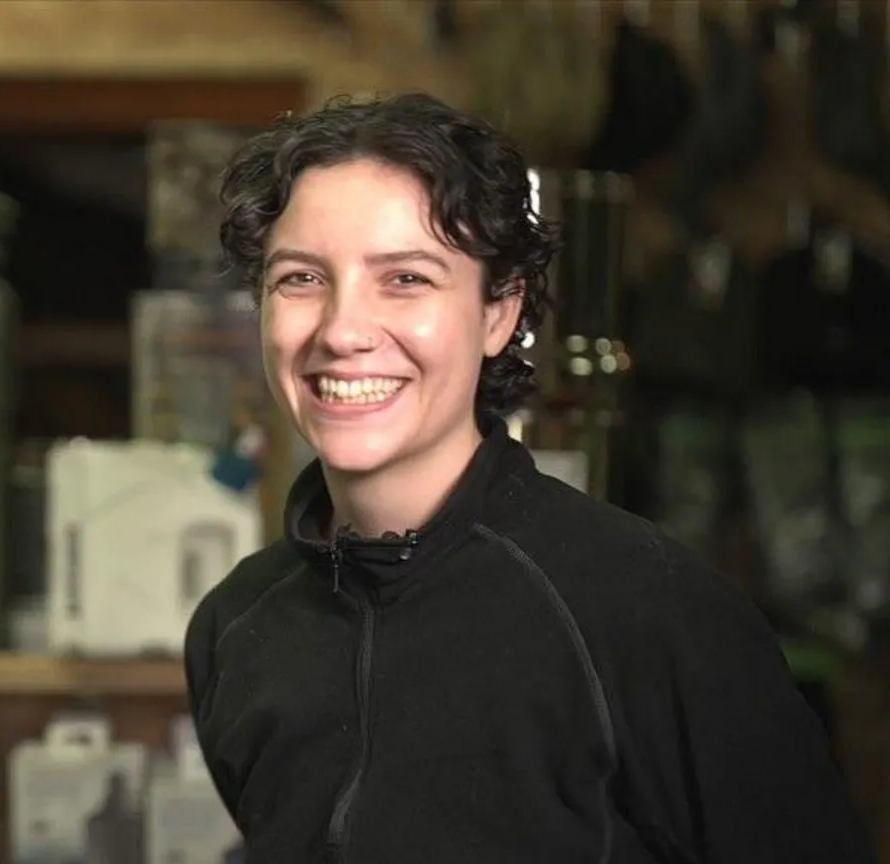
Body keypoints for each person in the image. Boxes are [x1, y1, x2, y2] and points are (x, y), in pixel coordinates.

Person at [183, 92, 875, 863]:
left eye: (406, 279)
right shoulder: (236, 628)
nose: (343, 331)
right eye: (301, 279)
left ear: (499, 313)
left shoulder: (655, 617)